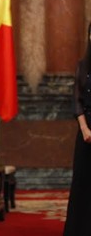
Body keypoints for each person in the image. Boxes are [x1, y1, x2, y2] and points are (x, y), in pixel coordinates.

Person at [63, 22, 91, 235]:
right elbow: (77, 102)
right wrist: (85, 129)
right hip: (86, 131)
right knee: (82, 182)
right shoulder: (82, 66)